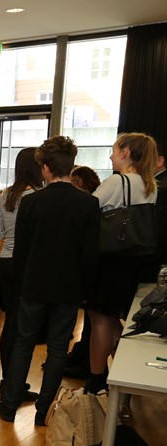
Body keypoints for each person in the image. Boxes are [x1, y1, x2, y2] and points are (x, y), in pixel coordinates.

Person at [0, 136, 99, 425]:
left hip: (33, 285)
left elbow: (22, 250)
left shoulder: (31, 203)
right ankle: (44, 411)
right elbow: (89, 255)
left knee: (23, 343)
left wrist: (21, 283)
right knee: (57, 348)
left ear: (45, 168)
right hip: (69, 288)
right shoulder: (88, 204)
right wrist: (85, 290)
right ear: (71, 166)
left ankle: (10, 405)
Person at [86, 132, 159, 393]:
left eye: (114, 150)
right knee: (116, 317)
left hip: (111, 259)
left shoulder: (118, 182)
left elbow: (87, 209)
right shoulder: (149, 184)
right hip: (136, 260)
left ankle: (96, 380)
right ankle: (123, 368)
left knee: (101, 319)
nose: (111, 155)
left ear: (126, 152)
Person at [0, 147, 43, 406]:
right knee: (24, 327)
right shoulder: (40, 196)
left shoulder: (6, 195)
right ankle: (15, 385)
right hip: (28, 263)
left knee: (10, 323)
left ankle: (8, 382)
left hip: (6, 262)